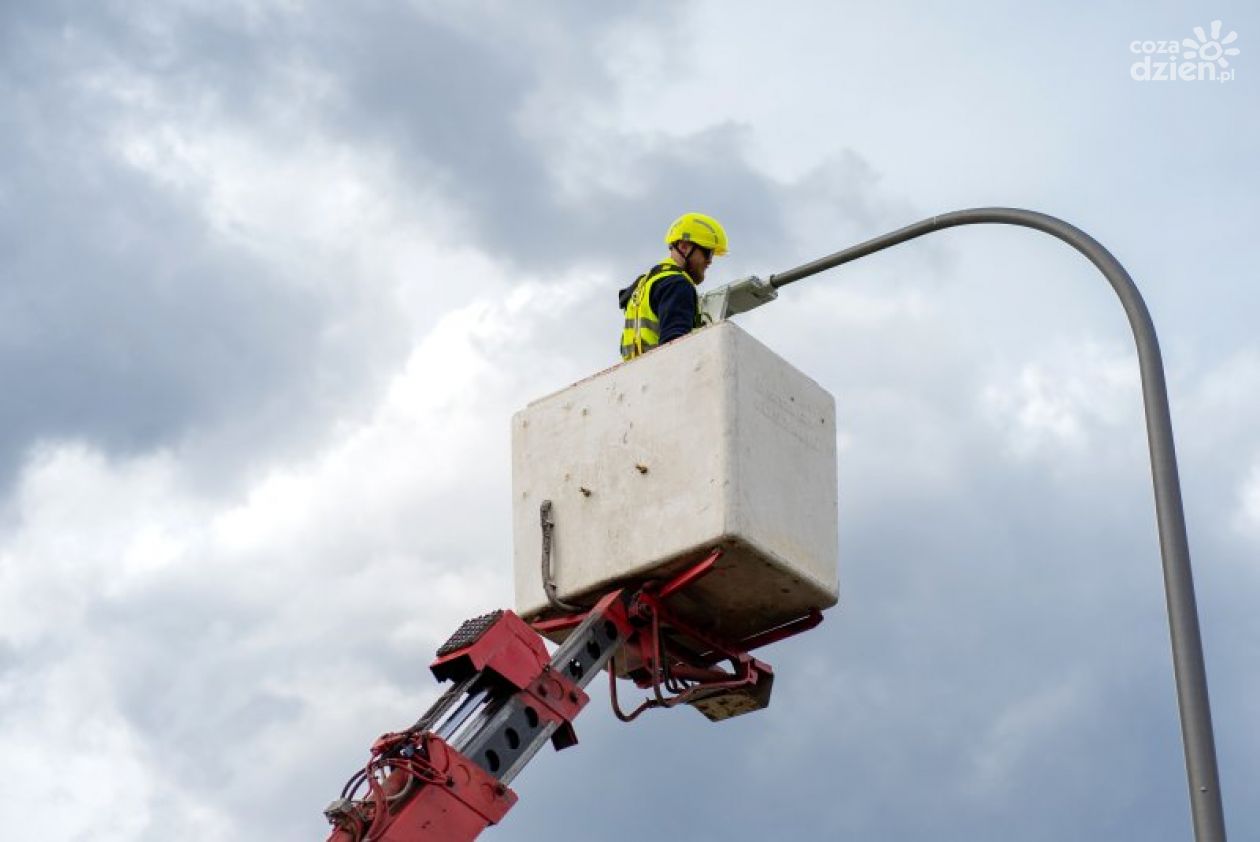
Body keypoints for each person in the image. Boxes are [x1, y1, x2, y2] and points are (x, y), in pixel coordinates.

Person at [619, 212, 729, 360]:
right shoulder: (677, 284)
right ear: (684, 246)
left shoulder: (645, 285)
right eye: (708, 252)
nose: (710, 261)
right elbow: (676, 347)